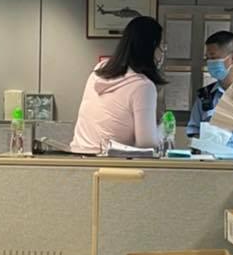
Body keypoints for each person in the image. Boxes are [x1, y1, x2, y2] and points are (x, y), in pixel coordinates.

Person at [69, 16, 165, 155]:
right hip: (112, 163)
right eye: (161, 47)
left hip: (77, 159)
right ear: (152, 47)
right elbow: (146, 143)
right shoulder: (142, 86)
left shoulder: (98, 72)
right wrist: (162, 133)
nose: (162, 53)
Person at [187, 30, 233, 138]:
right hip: (211, 149)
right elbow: (193, 131)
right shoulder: (205, 96)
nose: (209, 63)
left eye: (213, 57)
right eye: (207, 58)